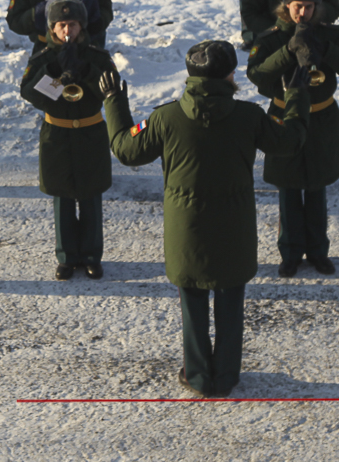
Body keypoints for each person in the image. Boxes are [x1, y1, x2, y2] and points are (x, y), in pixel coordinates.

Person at [101, 40, 309, 397]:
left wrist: (114, 103)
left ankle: (197, 376)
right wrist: (296, 97)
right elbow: (291, 140)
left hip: (187, 230)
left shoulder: (165, 118)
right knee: (230, 298)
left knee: (193, 301)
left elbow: (125, 149)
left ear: (190, 76)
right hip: (234, 226)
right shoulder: (249, 116)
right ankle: (226, 376)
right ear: (230, 76)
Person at [246, 0, 339, 277]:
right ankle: (289, 252)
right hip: (284, 115)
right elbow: (257, 75)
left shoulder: (330, 35)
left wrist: (325, 49)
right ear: (287, 5)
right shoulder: (271, 37)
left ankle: (318, 251)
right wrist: (288, 51)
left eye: (309, 7)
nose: (303, 13)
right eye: (298, 6)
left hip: (321, 118)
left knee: (316, 186)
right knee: (288, 187)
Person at [19, 0, 116, 281]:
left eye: (72, 24)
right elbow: (29, 93)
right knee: (62, 198)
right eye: (61, 25)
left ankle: (91, 256)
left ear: (81, 26)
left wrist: (86, 72)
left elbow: (111, 91)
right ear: (52, 28)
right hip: (58, 134)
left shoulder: (97, 57)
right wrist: (54, 75)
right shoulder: (43, 58)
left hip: (90, 133)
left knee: (90, 197)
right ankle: (66, 256)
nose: (67, 30)